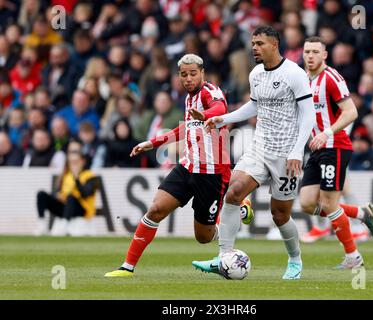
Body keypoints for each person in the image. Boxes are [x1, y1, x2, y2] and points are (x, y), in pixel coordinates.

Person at [104, 54, 252, 277]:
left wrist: (204, 115)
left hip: (211, 173)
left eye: (193, 73)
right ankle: (127, 266)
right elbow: (185, 129)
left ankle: (239, 208)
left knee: (203, 237)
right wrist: (152, 142)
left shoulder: (210, 92)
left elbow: (220, 109)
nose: (189, 78)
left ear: (202, 73)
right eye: (184, 74)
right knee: (155, 209)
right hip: (187, 166)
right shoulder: (188, 99)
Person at [192, 26, 316, 280]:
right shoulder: (256, 74)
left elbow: (308, 115)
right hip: (259, 147)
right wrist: (222, 119)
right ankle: (223, 257)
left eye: (259, 43)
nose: (254, 48)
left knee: (280, 214)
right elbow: (255, 106)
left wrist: (296, 151)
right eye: (253, 43)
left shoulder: (295, 73)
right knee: (233, 192)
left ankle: (295, 260)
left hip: (286, 153)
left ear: (274, 45)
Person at [299, 36, 373, 269]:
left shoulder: (332, 78)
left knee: (329, 204)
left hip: (335, 146)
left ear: (324, 55)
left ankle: (353, 256)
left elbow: (351, 112)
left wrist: (327, 132)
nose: (310, 56)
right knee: (306, 203)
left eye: (315, 51)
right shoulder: (304, 80)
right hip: (317, 148)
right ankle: (361, 212)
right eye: (306, 52)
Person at [35, 139, 99, 235]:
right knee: (41, 195)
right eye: (72, 162)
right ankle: (41, 224)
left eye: (76, 162)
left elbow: (86, 193)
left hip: (82, 209)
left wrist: (76, 178)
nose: (74, 165)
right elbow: (59, 191)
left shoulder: (90, 175)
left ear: (82, 162)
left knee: (71, 197)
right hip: (65, 206)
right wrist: (58, 195)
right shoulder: (65, 175)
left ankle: (64, 225)